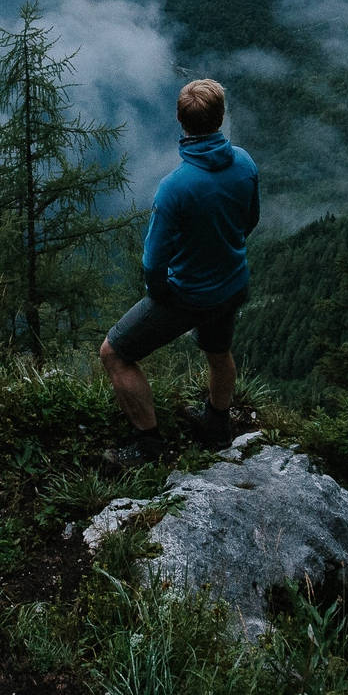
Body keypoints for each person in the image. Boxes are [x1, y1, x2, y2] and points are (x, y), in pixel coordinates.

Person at [100, 77, 260, 468]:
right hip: (233, 282)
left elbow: (154, 262)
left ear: (180, 120)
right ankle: (216, 425)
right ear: (221, 117)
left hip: (188, 294)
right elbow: (249, 221)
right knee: (219, 351)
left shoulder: (175, 188)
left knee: (115, 353)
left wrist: (162, 293)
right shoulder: (245, 163)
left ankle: (148, 446)